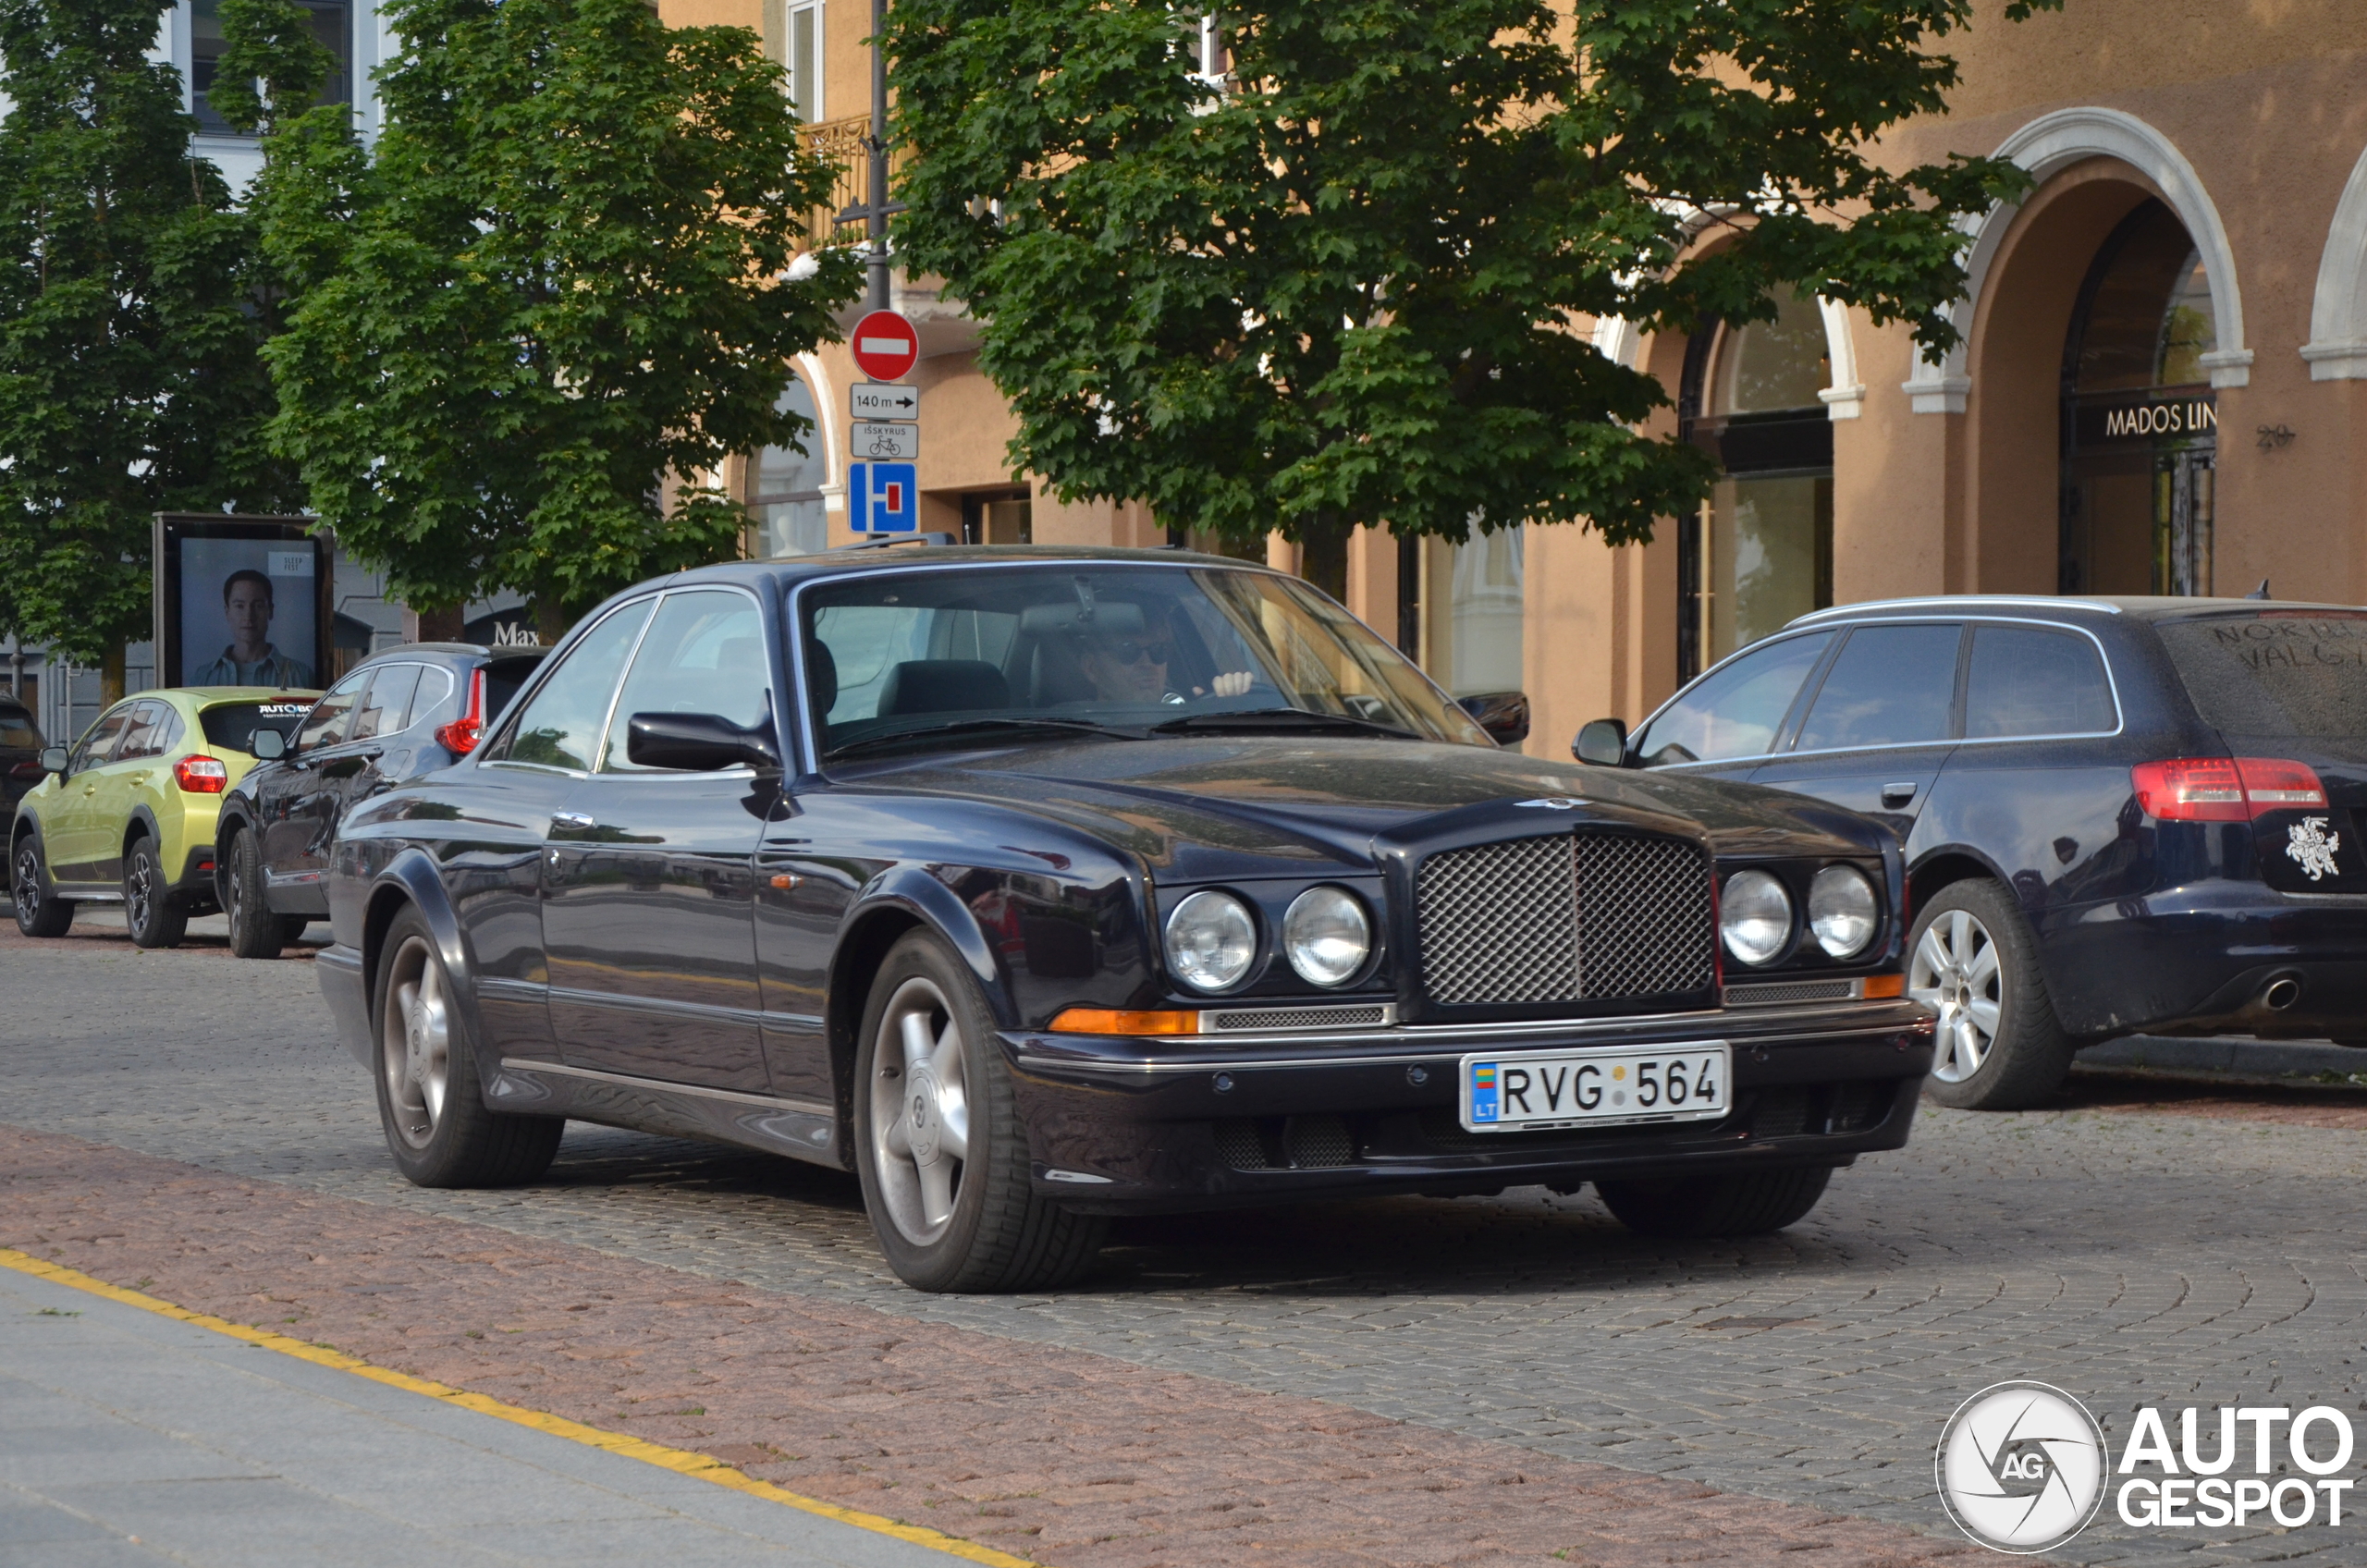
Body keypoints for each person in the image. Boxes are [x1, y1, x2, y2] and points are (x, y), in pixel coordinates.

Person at [1073, 611, 1253, 705]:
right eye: (1128, 651)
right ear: (1090, 668)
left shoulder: (1188, 723)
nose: (1147, 663)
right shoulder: (1070, 733)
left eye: (1158, 650)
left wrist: (1228, 706)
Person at [190, 569, 314, 687]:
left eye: (258, 606)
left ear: (270, 611)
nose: (249, 616)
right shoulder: (203, 676)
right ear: (227, 612)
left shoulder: (301, 675)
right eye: (239, 606)